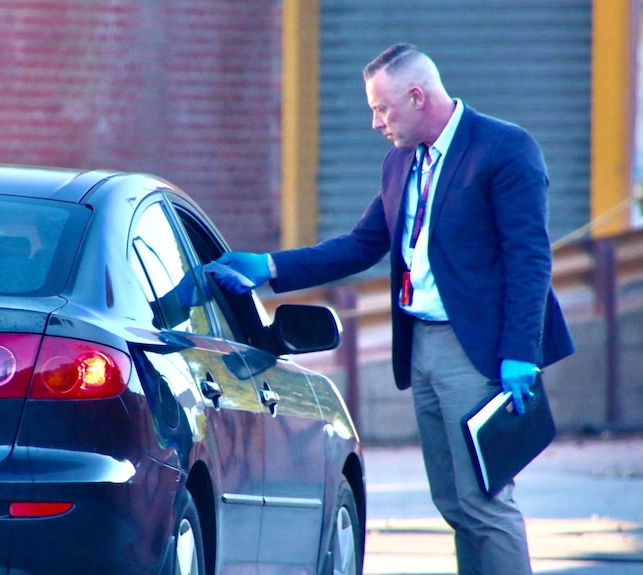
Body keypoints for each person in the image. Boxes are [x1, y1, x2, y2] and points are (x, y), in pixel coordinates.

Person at [211, 43, 575, 575]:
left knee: (485, 503)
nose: (375, 122)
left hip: (478, 351)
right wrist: (267, 267)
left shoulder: (503, 149)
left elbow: (529, 259)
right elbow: (361, 244)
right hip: (423, 345)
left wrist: (520, 351)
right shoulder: (401, 160)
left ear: (416, 96)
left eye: (382, 109)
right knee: (454, 504)